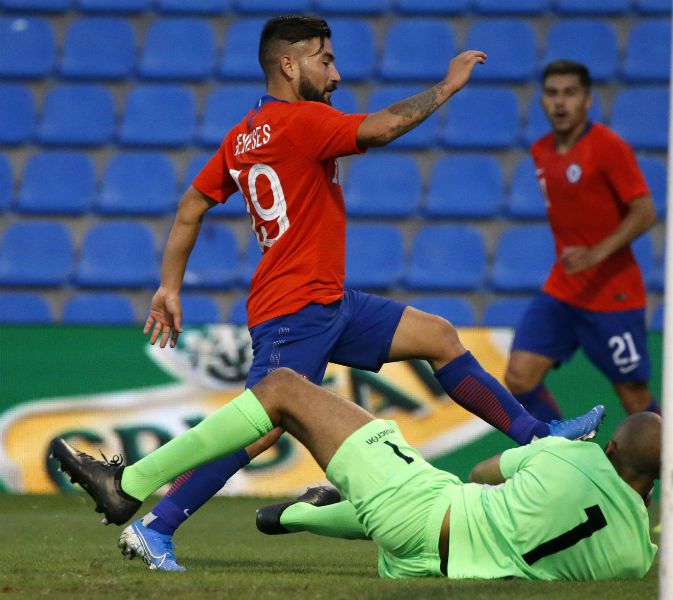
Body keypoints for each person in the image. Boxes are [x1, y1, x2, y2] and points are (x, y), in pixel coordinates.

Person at [126, 16, 603, 571]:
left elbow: (190, 206)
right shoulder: (303, 121)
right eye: (324, 60)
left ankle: (537, 437)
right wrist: (447, 87)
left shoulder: (243, 134)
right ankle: (157, 524)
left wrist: (169, 285)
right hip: (294, 310)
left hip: (329, 300)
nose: (335, 73)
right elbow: (378, 130)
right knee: (263, 427)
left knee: (439, 336)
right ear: (289, 64)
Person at [51, 368, 657, 581]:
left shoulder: (570, 456)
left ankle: (125, 486)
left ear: (610, 449)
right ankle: (297, 513)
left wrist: (553, 458)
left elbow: (483, 468)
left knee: (285, 391)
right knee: (423, 498)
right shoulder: (637, 557)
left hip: (426, 509)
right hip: (440, 560)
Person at [504, 60, 660, 424]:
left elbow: (645, 211)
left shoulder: (608, 147)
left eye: (570, 94)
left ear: (588, 101)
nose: (560, 103)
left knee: (634, 396)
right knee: (518, 377)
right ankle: (560, 455)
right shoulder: (541, 150)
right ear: (542, 101)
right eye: (552, 93)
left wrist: (596, 253)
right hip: (564, 287)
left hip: (613, 293)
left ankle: (672, 470)